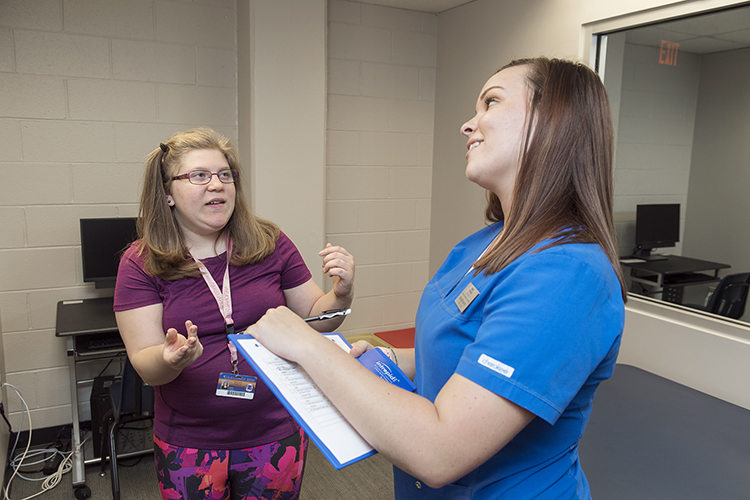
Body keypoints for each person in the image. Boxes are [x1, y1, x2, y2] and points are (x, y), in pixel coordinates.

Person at [246, 57, 627, 499]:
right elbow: (464, 348)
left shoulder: (568, 275)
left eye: (490, 103)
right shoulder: (483, 243)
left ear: (551, 122)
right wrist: (393, 359)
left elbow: (439, 452)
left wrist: (307, 344)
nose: (469, 124)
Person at [113, 127, 354, 500]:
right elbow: (145, 364)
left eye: (226, 175)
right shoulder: (141, 263)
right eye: (199, 176)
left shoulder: (268, 241)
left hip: (275, 431)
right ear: (167, 194)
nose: (217, 185)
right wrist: (170, 358)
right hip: (190, 443)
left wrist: (341, 292)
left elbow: (318, 319)